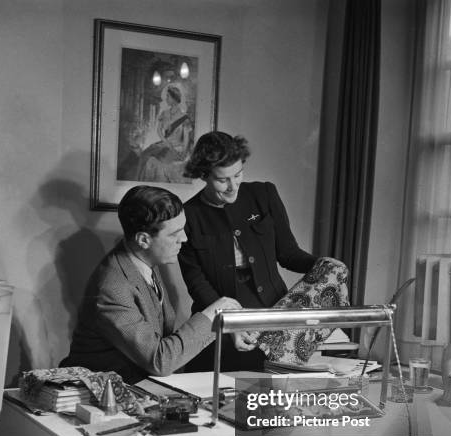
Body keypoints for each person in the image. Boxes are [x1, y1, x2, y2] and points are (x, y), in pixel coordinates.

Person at [178, 131, 348, 371]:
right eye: (222, 179)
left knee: (272, 394)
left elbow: (289, 254)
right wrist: (229, 325)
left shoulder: (263, 194)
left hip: (273, 314)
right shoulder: (189, 215)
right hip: (222, 323)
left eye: (238, 175)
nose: (232, 186)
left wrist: (324, 265)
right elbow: (197, 284)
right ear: (204, 175)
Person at [60, 185, 240, 384]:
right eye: (174, 234)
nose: (185, 238)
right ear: (143, 239)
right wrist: (212, 316)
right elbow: (159, 360)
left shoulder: (143, 260)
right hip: (101, 396)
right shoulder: (113, 288)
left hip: (139, 388)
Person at [137, 85, 193, 183]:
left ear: (174, 98)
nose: (166, 99)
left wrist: (183, 153)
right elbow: (159, 130)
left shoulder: (184, 117)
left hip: (178, 146)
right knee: (145, 155)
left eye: (168, 96)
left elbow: (186, 138)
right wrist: (166, 142)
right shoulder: (164, 113)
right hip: (164, 143)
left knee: (160, 163)